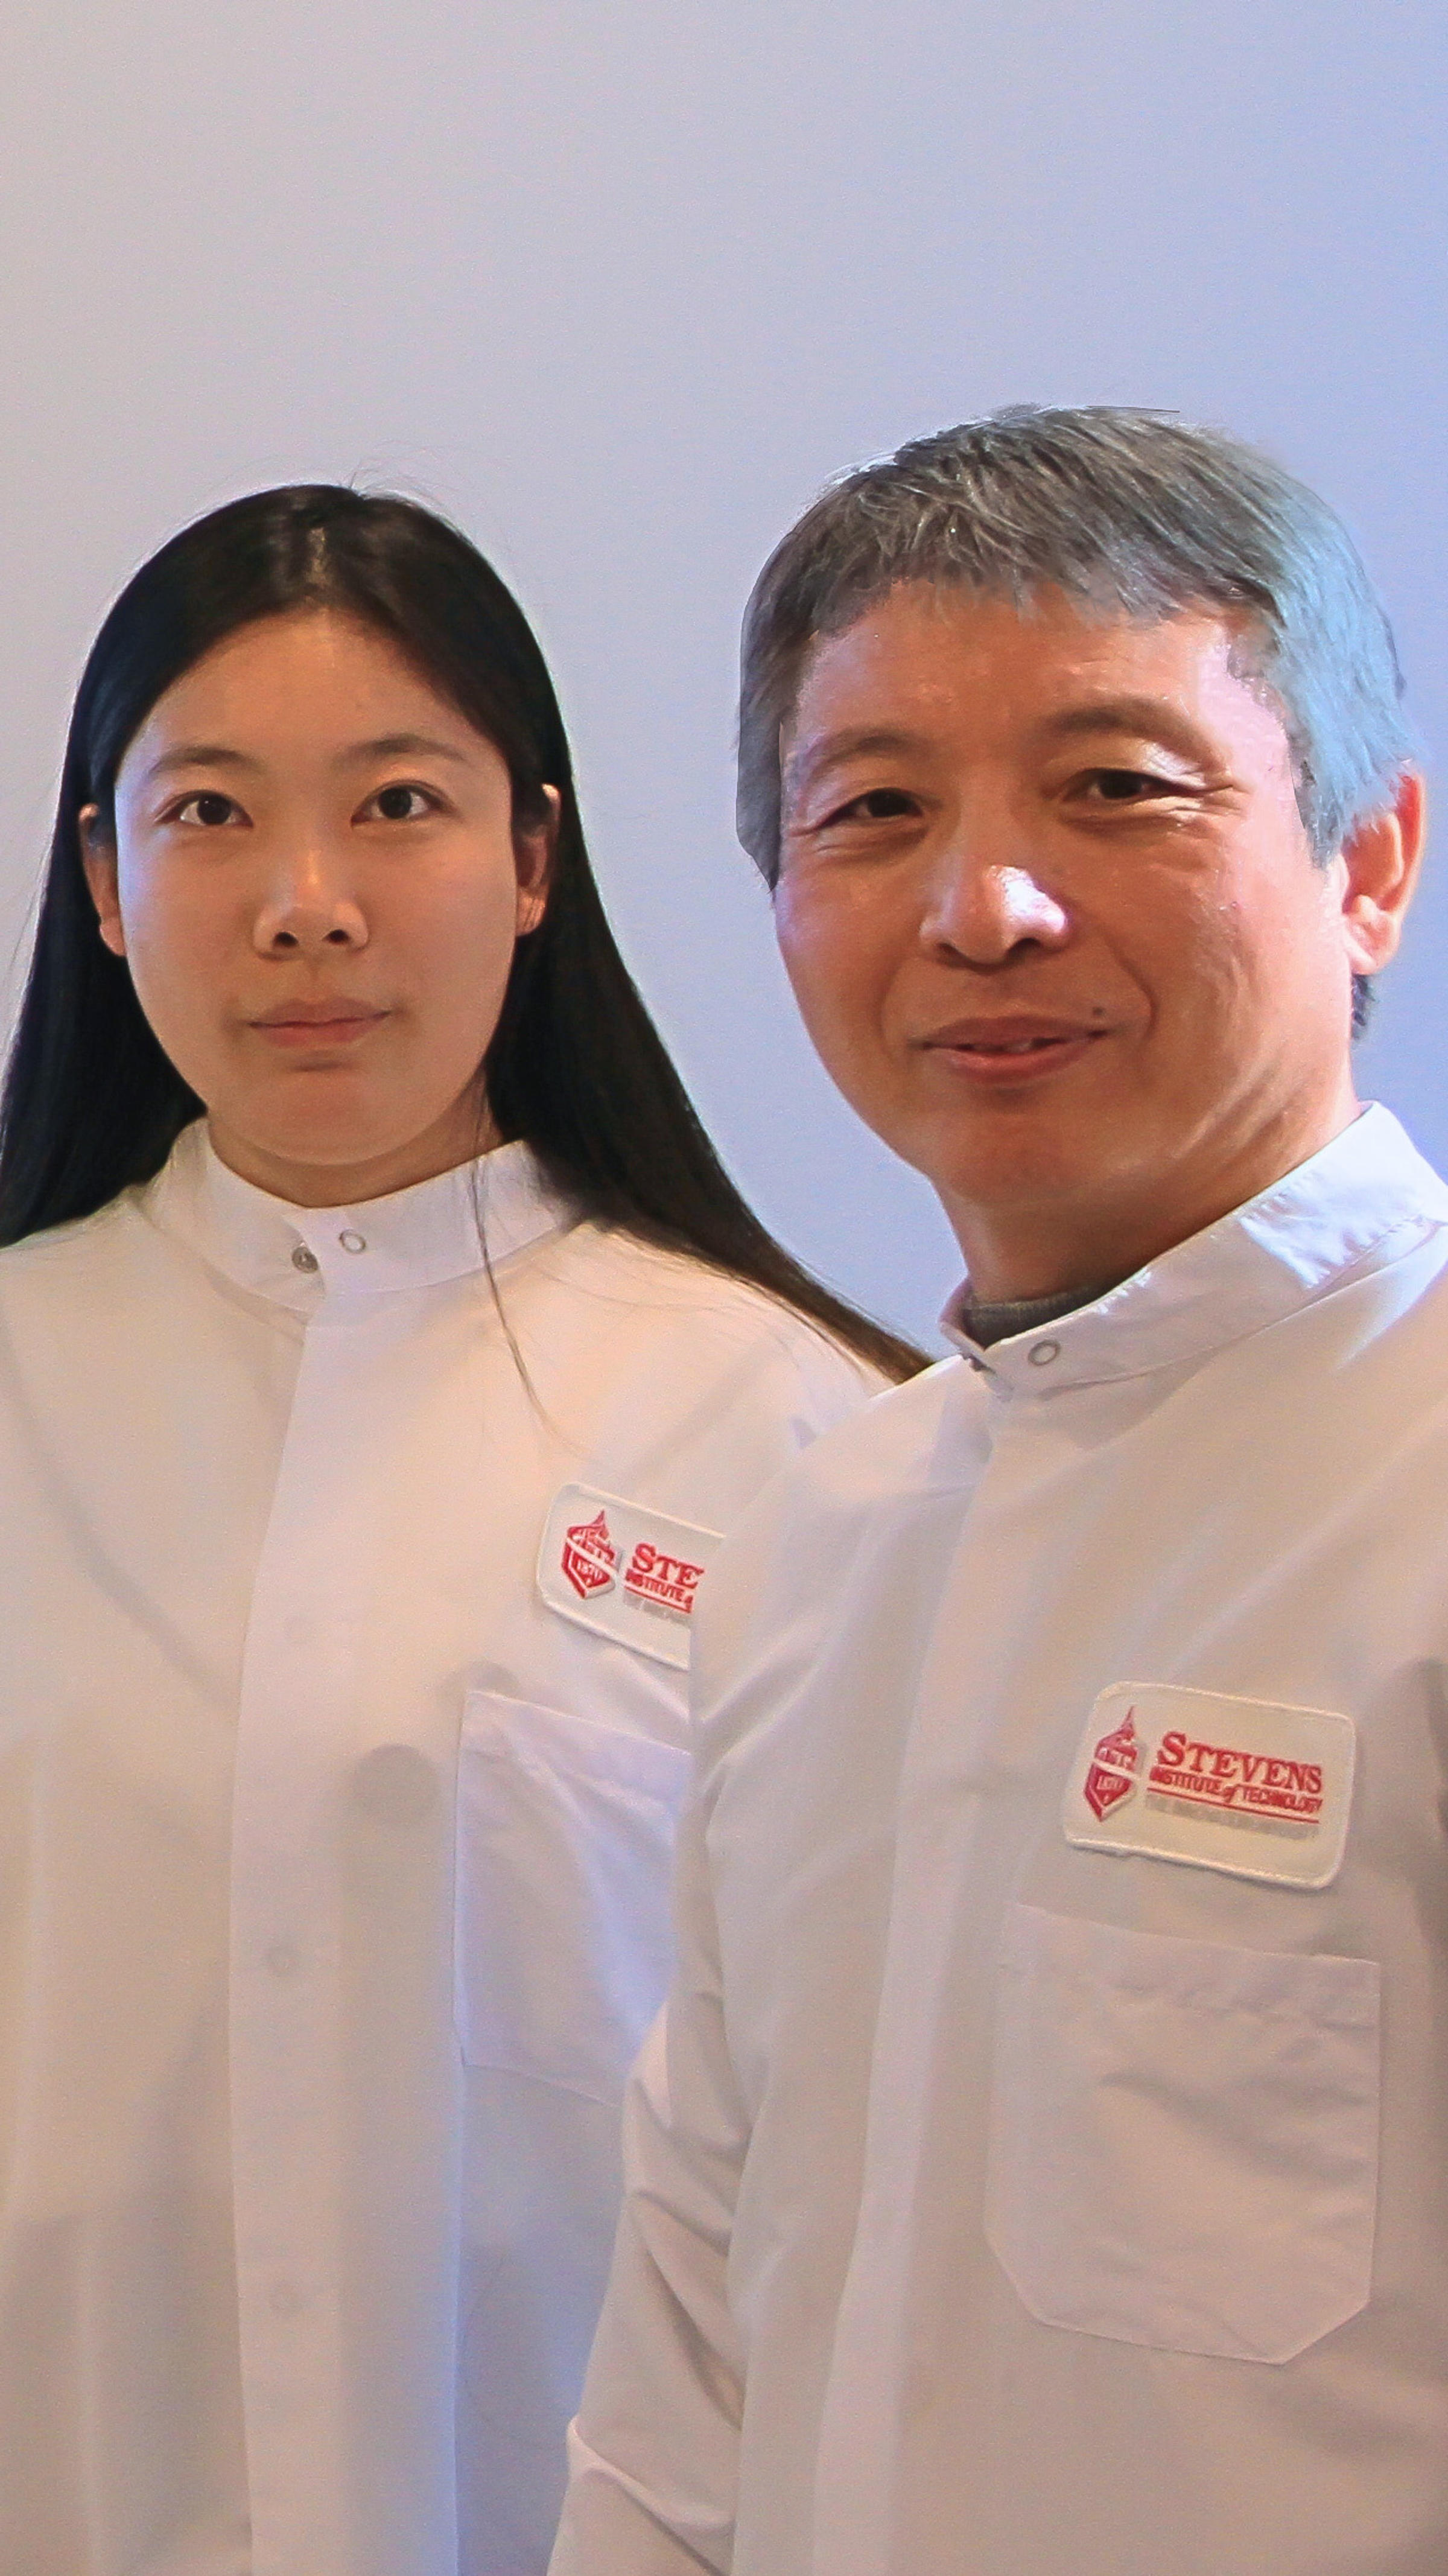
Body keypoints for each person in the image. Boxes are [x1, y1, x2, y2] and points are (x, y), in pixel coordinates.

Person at [550, 406, 1447, 2576]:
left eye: (1117, 787)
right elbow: (692, 2364)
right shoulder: (820, 1543)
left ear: (1372, 865)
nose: (986, 906)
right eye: (873, 811)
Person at [0, 483, 919, 2576]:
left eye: (398, 805)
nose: (306, 903)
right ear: (107, 887)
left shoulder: (794, 1428)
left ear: (531, 861)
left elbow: (879, 2162)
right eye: (210, 814)